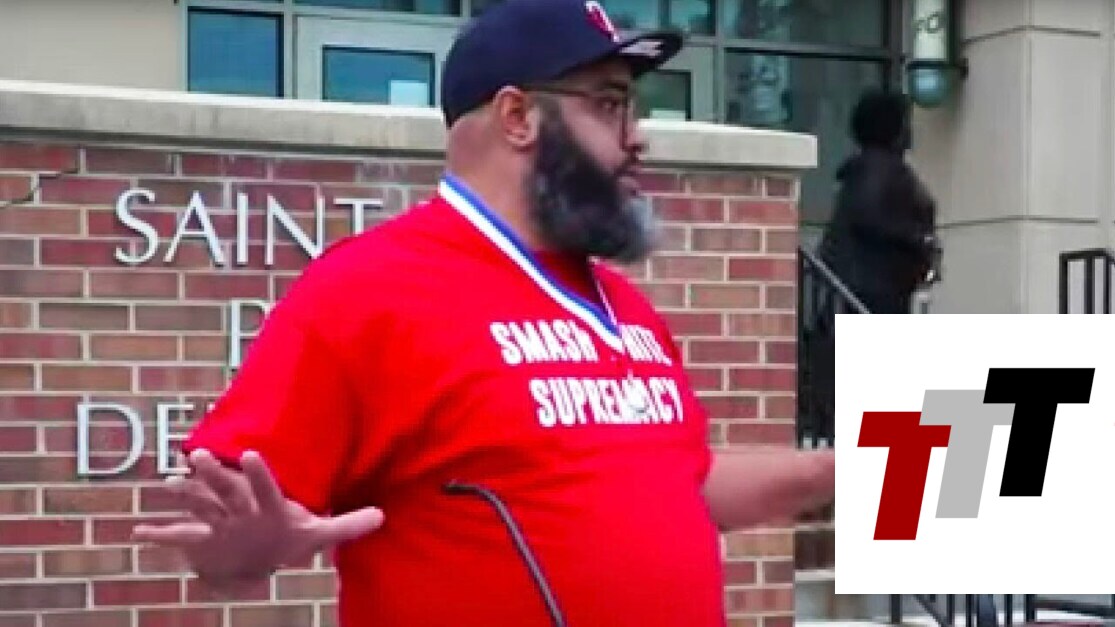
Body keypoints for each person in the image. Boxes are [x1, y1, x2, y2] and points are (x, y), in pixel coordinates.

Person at [132, 1, 835, 625]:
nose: (637, 136)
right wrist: (245, 549)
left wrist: (838, 472)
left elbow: (682, 483)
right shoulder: (367, 289)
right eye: (611, 103)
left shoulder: (622, 305)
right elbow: (228, 528)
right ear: (517, 117)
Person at [818, 89, 940, 315]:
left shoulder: (865, 168)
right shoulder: (880, 168)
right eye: (906, 122)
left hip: (872, 286)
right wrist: (918, 238)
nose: (911, 131)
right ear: (892, 128)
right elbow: (869, 215)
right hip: (875, 290)